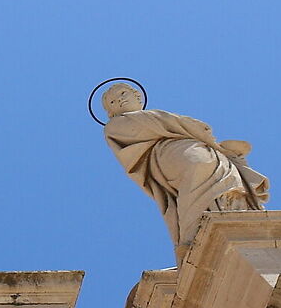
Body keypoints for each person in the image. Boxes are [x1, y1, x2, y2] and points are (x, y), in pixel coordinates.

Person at [100, 81, 268, 255]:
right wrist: (192, 129)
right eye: (112, 102)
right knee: (199, 165)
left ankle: (225, 214)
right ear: (111, 113)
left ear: (137, 95)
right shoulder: (114, 127)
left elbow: (172, 125)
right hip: (164, 154)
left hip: (197, 147)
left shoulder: (157, 117)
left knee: (223, 177)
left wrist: (217, 147)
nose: (119, 100)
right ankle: (194, 231)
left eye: (122, 94)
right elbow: (145, 128)